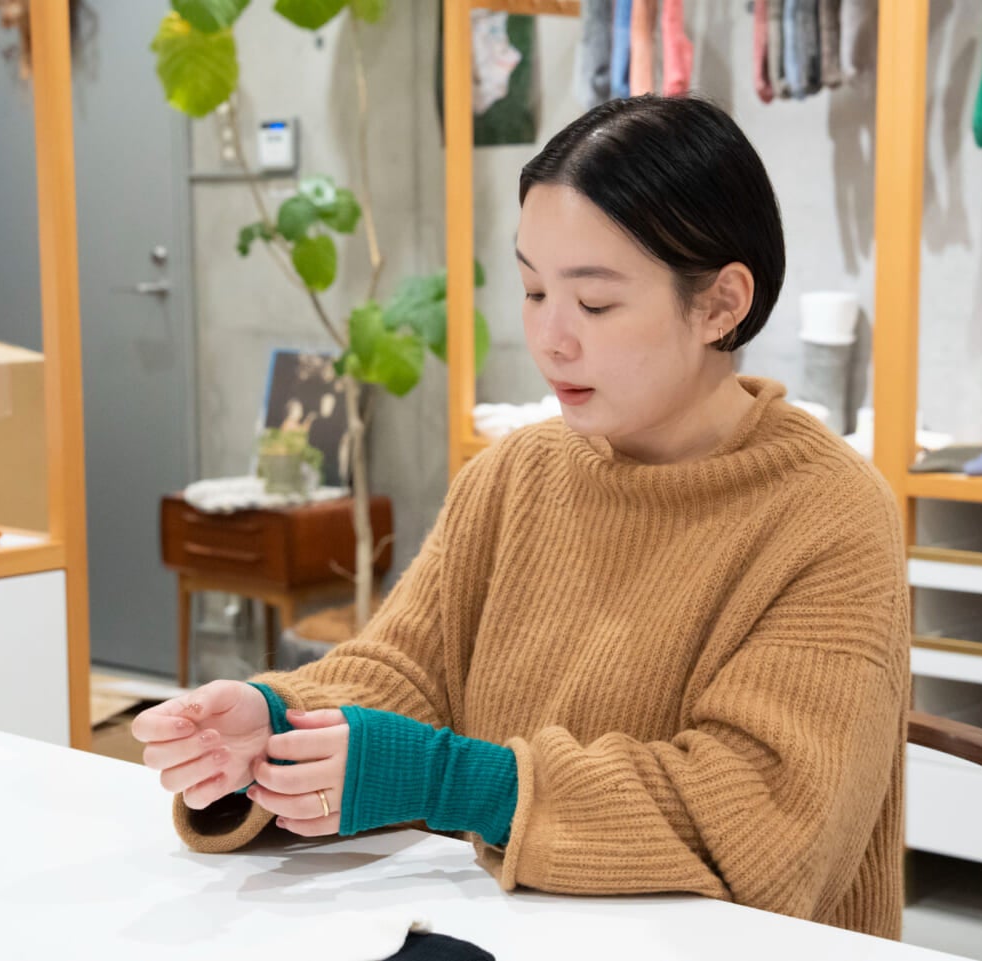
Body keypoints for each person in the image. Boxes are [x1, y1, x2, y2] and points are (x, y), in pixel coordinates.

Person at [132, 94, 909, 939]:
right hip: (514, 931)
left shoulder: (829, 517)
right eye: (534, 290)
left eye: (595, 303)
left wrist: (459, 783)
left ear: (722, 304)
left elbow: (764, 826)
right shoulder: (516, 471)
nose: (550, 338)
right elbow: (410, 672)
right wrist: (278, 731)